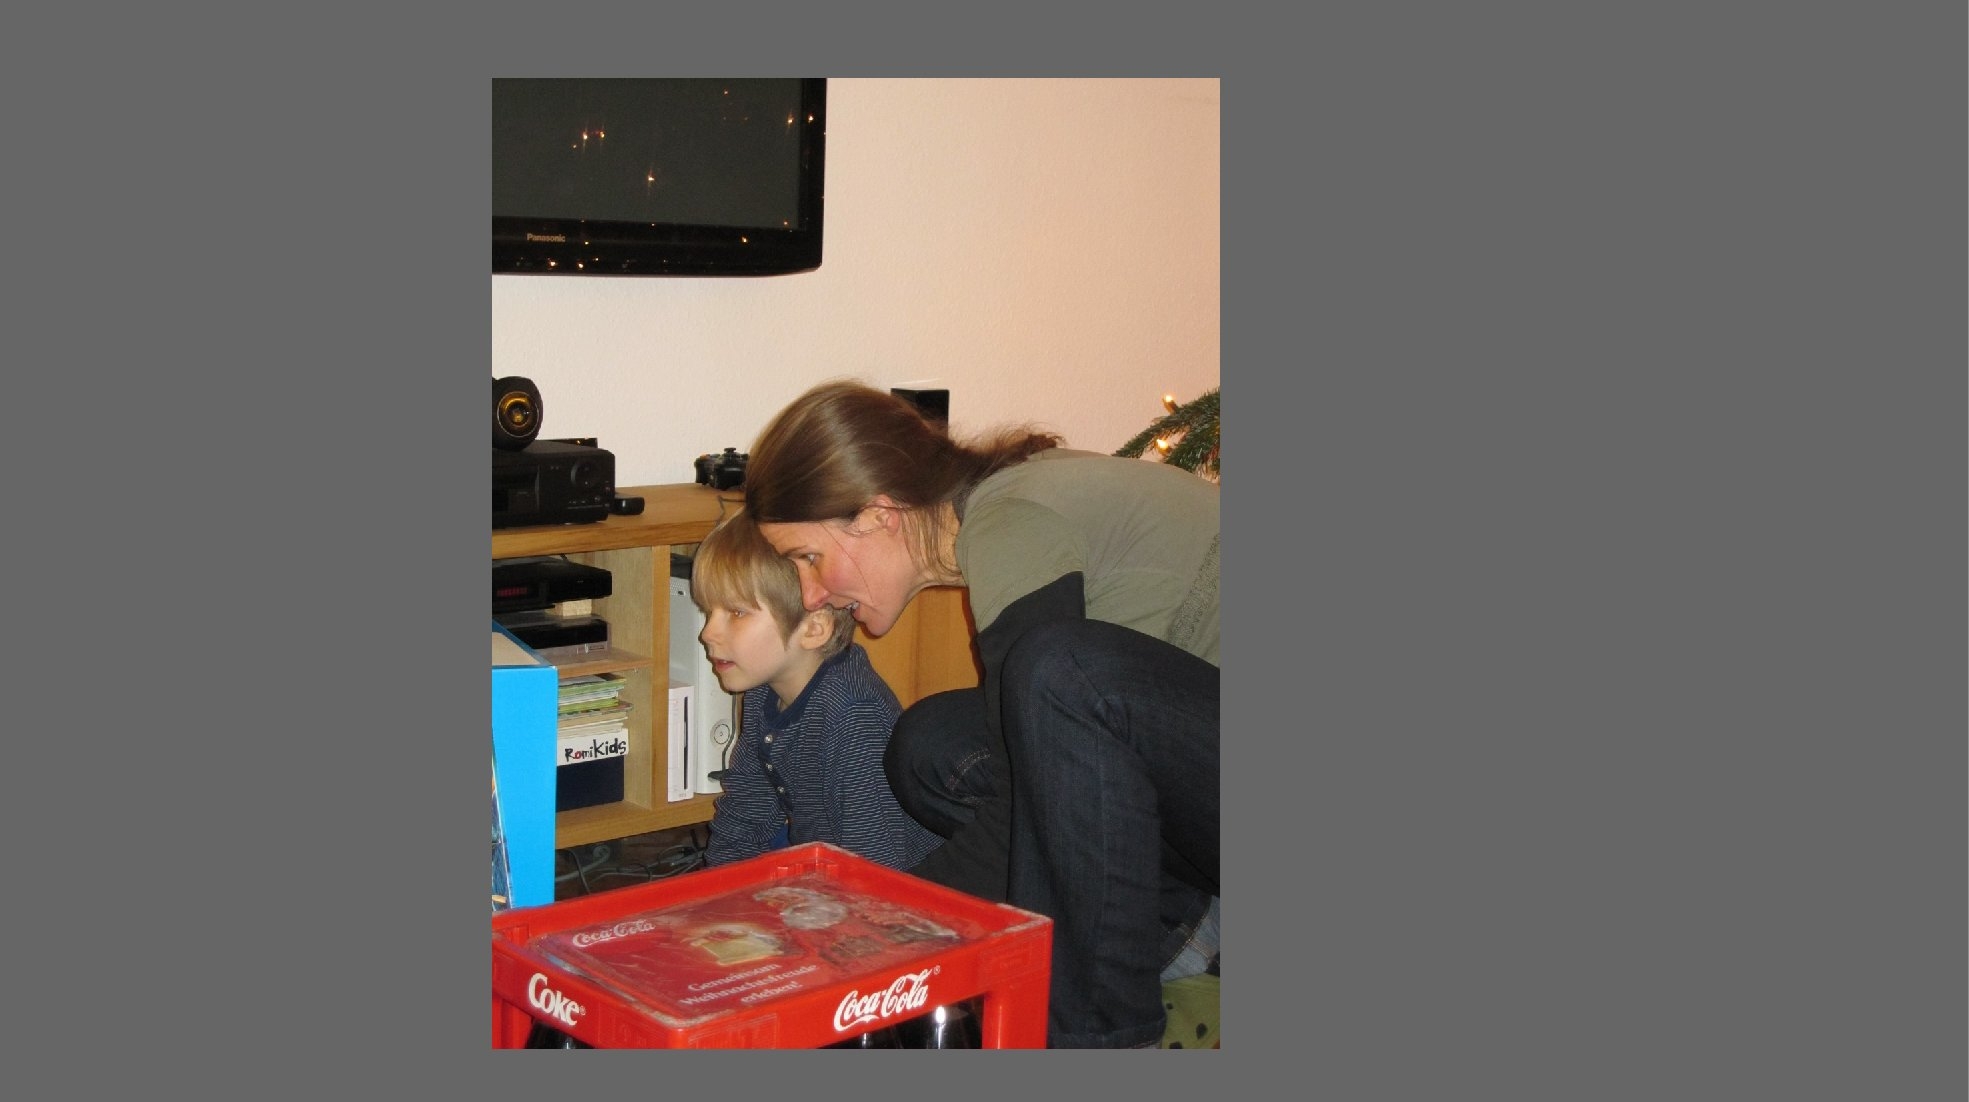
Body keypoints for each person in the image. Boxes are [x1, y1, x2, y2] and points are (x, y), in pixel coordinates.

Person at [742, 380, 1219, 1049]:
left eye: (808, 557)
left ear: (879, 514)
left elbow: (1025, 796)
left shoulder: (1010, 520)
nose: (811, 593)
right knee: (935, 744)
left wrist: (862, 930)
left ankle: (1098, 1037)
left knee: (1057, 672)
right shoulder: (1009, 498)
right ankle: (1175, 930)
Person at [689, 506, 942, 871]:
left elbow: (876, 865)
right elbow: (748, 808)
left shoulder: (854, 717)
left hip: (898, 879)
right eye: (707, 611)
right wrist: (717, 889)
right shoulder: (765, 688)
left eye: (736, 613)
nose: (708, 633)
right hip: (822, 859)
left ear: (813, 628)